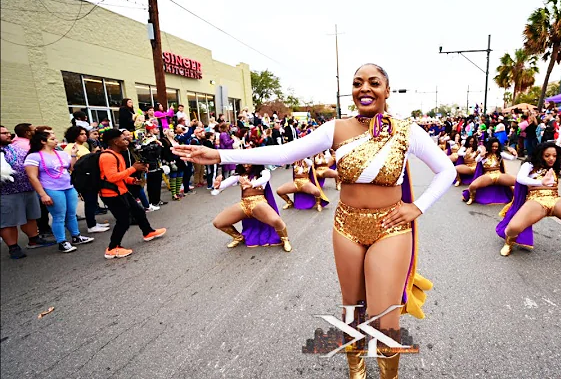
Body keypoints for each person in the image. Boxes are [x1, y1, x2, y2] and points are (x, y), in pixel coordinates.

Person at [172, 63, 455, 377]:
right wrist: (221, 156)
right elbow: (284, 153)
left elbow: (447, 171)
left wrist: (418, 207)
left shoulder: (408, 131)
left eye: (374, 82)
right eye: (358, 82)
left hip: (390, 228)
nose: (365, 88)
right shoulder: (335, 129)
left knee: (384, 316)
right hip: (346, 226)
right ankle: (356, 369)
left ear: (387, 90)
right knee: (352, 307)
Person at [496, 142, 561, 260]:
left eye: (554, 156)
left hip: (555, 199)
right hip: (536, 200)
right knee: (513, 228)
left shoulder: (558, 166)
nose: (551, 158)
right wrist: (541, 182)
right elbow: (521, 178)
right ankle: (509, 243)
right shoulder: (529, 165)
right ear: (540, 155)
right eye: (547, 156)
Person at [98, 129, 166, 259]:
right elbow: (112, 177)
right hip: (111, 194)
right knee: (124, 220)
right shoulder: (107, 157)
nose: (127, 140)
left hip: (121, 190)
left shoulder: (118, 154)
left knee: (139, 212)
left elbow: (120, 176)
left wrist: (132, 180)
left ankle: (148, 232)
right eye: (123, 139)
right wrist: (133, 169)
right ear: (115, 141)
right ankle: (112, 248)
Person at [24, 130, 94, 253]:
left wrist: (73, 155)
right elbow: (32, 177)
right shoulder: (34, 156)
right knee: (59, 216)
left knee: (71, 214)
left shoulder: (61, 154)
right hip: (52, 189)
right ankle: (62, 242)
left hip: (68, 186)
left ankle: (76, 236)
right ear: (42, 141)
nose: (56, 141)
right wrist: (43, 194)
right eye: (52, 139)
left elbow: (72, 168)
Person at [1, 125, 54, 259]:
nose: (8, 135)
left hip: (27, 188)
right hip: (7, 192)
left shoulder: (15, 148)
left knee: (31, 216)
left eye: (8, 132)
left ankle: (34, 239)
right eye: (4, 133)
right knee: (9, 221)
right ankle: (13, 247)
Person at [211, 164, 290, 251]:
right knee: (218, 222)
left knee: (276, 221)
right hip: (244, 204)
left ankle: (285, 239)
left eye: (248, 162)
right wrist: (218, 185)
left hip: (258, 203)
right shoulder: (239, 176)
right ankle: (238, 237)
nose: (245, 165)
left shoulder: (263, 172)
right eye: (243, 163)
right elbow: (226, 182)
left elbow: (265, 178)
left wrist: (252, 184)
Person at [64, 126, 110, 233]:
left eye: (85, 133)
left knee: (92, 200)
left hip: (89, 176)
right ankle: (91, 225)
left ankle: (93, 222)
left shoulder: (82, 146)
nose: (84, 136)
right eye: (81, 134)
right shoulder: (71, 147)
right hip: (83, 177)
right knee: (89, 200)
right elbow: (73, 165)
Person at [463, 138, 515, 205]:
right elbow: (477, 160)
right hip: (488, 175)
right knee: (473, 186)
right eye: (492, 146)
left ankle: (519, 198)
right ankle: (471, 197)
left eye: (496, 147)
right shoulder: (485, 154)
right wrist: (481, 155)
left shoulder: (500, 154)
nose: (494, 148)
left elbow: (512, 158)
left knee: (518, 182)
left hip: (499, 175)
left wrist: (514, 153)